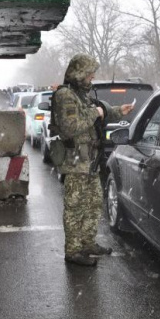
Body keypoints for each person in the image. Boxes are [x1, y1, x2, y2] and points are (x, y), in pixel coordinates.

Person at [52, 54, 134, 266]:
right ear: (79, 73)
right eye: (89, 74)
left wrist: (117, 111)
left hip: (90, 162)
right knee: (75, 207)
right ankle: (73, 250)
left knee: (94, 204)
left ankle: (87, 243)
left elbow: (97, 113)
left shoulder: (81, 95)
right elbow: (71, 127)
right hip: (76, 161)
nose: (92, 77)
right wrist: (95, 112)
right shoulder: (65, 95)